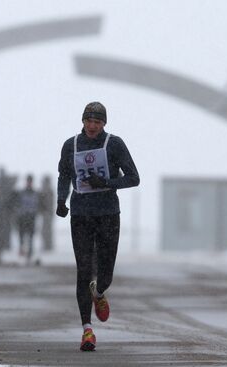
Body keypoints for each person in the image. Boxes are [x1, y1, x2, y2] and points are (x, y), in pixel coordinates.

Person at [56, 101, 139, 351]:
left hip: (108, 214)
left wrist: (107, 181)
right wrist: (61, 200)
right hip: (81, 214)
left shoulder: (114, 144)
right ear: (82, 121)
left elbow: (134, 178)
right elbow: (64, 176)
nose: (92, 126)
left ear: (104, 123)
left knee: (105, 273)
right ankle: (87, 330)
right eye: (89, 121)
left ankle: (100, 293)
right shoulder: (70, 145)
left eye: (98, 122)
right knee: (83, 269)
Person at [15, 174, 40, 263]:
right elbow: (17, 204)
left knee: (31, 237)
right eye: (28, 181)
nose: (29, 183)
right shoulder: (21, 193)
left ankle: (29, 255)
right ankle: (22, 253)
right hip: (22, 217)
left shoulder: (35, 193)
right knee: (21, 237)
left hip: (31, 217)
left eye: (30, 181)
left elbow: (38, 205)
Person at [39, 175, 55, 251]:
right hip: (46, 213)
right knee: (45, 230)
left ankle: (48, 245)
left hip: (47, 213)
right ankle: (46, 245)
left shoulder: (48, 191)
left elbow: (49, 203)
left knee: (47, 231)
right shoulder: (45, 190)